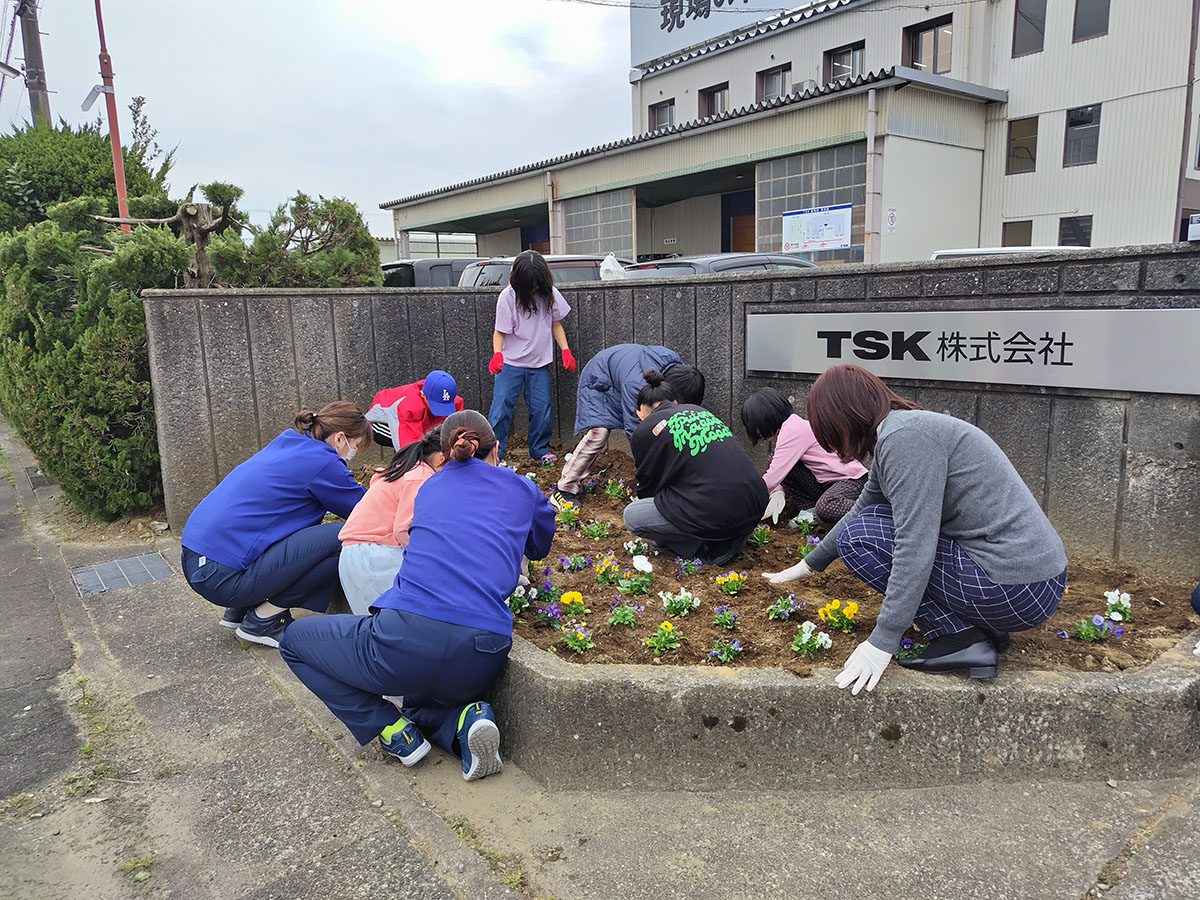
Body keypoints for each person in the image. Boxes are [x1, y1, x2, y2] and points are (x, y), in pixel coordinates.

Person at [278, 410, 556, 782]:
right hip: (483, 651)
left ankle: (393, 731)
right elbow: (539, 546)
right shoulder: (523, 489)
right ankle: (467, 721)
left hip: (407, 637)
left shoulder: (429, 487)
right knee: (422, 699)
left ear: (443, 452)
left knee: (294, 641)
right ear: (497, 449)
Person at [764, 365, 1068, 692]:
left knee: (860, 539)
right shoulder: (901, 432)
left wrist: (883, 640)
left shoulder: (904, 440)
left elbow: (914, 545)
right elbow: (863, 507)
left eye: (827, 432)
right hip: (1030, 582)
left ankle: (960, 638)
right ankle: (983, 630)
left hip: (1017, 589)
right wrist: (810, 564)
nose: (830, 445)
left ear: (842, 418)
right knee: (865, 524)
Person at [181, 402, 370, 648]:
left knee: (292, 530)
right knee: (347, 537)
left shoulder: (289, 443)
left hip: (197, 563)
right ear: (340, 438)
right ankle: (264, 620)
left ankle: (242, 609)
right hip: (222, 579)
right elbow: (366, 512)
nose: (353, 453)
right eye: (355, 446)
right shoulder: (323, 463)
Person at [624, 370, 768, 566]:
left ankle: (709, 549)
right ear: (676, 402)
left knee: (633, 516)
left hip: (719, 512)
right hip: (756, 503)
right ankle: (732, 535)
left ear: (640, 413)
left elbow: (648, 487)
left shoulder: (646, 430)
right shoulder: (699, 411)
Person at [551, 343, 705, 508]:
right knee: (599, 433)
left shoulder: (679, 372)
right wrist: (652, 478)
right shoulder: (638, 386)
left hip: (621, 375)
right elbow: (638, 433)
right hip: (600, 378)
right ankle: (564, 489)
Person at [337, 427, 445, 615]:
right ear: (442, 459)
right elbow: (405, 529)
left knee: (374, 626)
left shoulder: (408, 468)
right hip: (375, 557)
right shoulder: (421, 477)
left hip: (358, 555)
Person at [488, 250, 576, 463]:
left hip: (539, 364)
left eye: (537, 283)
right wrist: (497, 354)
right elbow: (500, 331)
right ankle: (493, 454)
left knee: (542, 408)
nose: (534, 288)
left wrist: (565, 349)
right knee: (500, 409)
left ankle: (539, 450)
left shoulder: (549, 293)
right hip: (510, 364)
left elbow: (556, 323)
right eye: (530, 284)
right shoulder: (508, 297)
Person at [740, 386, 867, 525]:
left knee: (827, 507)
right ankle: (811, 511)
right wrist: (778, 492)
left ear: (764, 418)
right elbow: (781, 470)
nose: (757, 433)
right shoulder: (792, 427)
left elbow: (772, 477)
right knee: (774, 458)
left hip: (851, 481)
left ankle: (873, 511)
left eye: (756, 427)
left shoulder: (793, 430)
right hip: (826, 484)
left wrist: (742, 503)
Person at [365, 370, 463, 449]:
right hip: (381, 423)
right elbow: (409, 444)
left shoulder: (454, 402)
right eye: (436, 406)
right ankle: (398, 470)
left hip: (416, 422)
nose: (442, 411)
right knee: (412, 450)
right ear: (423, 396)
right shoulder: (409, 407)